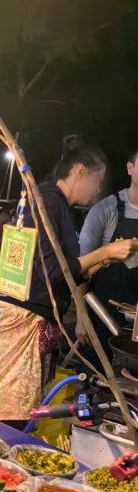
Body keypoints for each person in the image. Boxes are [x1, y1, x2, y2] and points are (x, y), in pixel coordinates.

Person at [0, 137, 138, 429]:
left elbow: (67, 272)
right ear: (79, 172)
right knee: (7, 416)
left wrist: (105, 260)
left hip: (32, 321)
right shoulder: (48, 201)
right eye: (96, 180)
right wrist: (103, 252)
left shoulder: (53, 203)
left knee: (20, 414)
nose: (97, 189)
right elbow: (53, 270)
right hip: (20, 322)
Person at [76, 149, 138, 359]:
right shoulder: (106, 210)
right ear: (130, 168)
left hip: (136, 318)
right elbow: (79, 268)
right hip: (103, 314)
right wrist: (81, 317)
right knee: (97, 377)